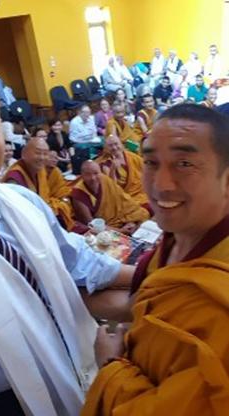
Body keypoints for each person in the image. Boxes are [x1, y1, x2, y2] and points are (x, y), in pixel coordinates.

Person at [0, 59, 132, 416]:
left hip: (77, 365)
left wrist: (154, 278)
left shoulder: (22, 202)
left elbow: (78, 261)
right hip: (8, 404)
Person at [82, 103, 229, 415]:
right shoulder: (174, 239)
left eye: (185, 163)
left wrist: (109, 365)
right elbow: (142, 306)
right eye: (151, 162)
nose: (160, 185)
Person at [3, 137, 75, 231]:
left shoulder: (41, 171)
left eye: (45, 154)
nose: (42, 157)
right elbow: (16, 215)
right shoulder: (14, 179)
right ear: (24, 154)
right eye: (37, 153)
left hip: (42, 220)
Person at [71, 160, 149, 234]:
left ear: (100, 172)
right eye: (87, 174)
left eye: (96, 173)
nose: (93, 178)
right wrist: (121, 230)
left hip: (121, 219)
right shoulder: (78, 193)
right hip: (104, 228)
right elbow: (91, 224)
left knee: (143, 213)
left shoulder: (105, 180)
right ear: (81, 175)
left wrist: (131, 221)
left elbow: (124, 200)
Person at [95, 134, 150, 210]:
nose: (114, 148)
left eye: (116, 144)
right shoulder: (106, 163)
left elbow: (147, 169)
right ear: (106, 148)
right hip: (125, 195)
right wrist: (113, 169)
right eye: (110, 146)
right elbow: (112, 187)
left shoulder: (131, 156)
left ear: (121, 144)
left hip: (141, 190)